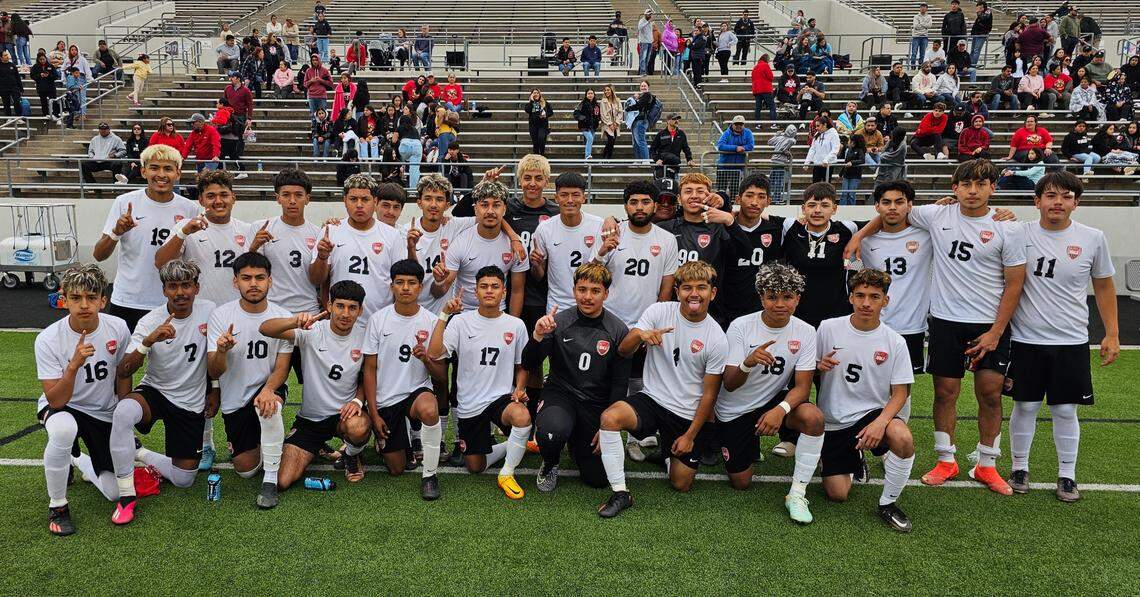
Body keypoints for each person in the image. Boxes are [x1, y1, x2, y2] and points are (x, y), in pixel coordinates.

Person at [847, 159, 1025, 496]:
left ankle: (987, 464)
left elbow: (1015, 284)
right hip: (945, 321)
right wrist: (860, 233)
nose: (973, 191)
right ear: (954, 189)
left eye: (981, 185)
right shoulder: (937, 215)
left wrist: (996, 332)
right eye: (966, 185)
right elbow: (890, 213)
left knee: (989, 393)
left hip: (989, 324)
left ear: (993, 188)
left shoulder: (1008, 227)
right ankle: (946, 460)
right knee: (945, 393)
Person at [1006, 172, 1118, 501]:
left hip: (1070, 340)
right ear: (1036, 200)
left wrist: (1112, 333)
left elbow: (1104, 286)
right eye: (1051, 195)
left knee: (1066, 410)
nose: (1058, 202)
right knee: (1025, 405)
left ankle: (1067, 475)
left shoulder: (1093, 237)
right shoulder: (1018, 234)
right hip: (1025, 339)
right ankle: (1019, 468)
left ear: (1076, 203)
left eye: (1066, 196)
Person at [597, 261, 728, 517]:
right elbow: (624, 350)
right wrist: (640, 336)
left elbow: (710, 394)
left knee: (681, 484)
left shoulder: (716, 338)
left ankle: (668, 453)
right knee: (610, 418)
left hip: (686, 412)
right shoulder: (658, 311)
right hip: (652, 399)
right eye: (687, 287)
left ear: (712, 293)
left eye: (701, 288)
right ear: (677, 291)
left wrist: (690, 435)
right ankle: (621, 492)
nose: (694, 294)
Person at [108, 260, 213, 524]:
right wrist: (147, 342)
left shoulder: (211, 312)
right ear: (164, 290)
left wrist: (216, 389)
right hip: (155, 391)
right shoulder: (150, 321)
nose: (180, 292)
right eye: (173, 286)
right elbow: (124, 370)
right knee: (123, 412)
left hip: (190, 401)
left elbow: (219, 357)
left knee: (184, 480)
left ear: (196, 288)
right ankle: (126, 495)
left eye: (186, 285)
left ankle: (138, 452)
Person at [716, 262, 823, 522]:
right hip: (735, 408)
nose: (779, 304)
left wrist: (780, 410)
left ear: (797, 299)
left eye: (787, 297)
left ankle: (797, 492)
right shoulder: (741, 326)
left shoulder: (807, 331)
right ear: (761, 297)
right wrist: (747, 362)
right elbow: (729, 383)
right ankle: (743, 442)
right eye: (772, 297)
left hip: (772, 401)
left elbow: (803, 387)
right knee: (741, 482)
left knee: (813, 417)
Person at [816, 268, 916, 532]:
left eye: (874, 297)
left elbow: (901, 392)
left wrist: (881, 422)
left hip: (872, 414)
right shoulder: (827, 328)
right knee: (837, 494)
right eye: (860, 296)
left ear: (886, 301)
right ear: (850, 298)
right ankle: (853, 458)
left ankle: (888, 503)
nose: (866, 303)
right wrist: (818, 364)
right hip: (834, 420)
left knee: (903, 438)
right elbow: (805, 368)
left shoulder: (894, 341)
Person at [36, 264, 132, 536]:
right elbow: (55, 400)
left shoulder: (118, 328)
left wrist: (122, 415)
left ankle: (77, 459)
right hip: (64, 406)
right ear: (64, 299)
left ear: (104, 300)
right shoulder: (48, 339)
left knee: (115, 493)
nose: (84, 305)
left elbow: (122, 373)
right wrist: (74, 365)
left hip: (101, 411)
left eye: (92, 297)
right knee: (64, 429)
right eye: (76, 298)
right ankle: (58, 506)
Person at [524, 262, 630, 491]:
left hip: (595, 403)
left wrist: (609, 427)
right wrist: (538, 335)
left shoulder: (618, 330)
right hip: (560, 395)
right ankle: (550, 462)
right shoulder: (558, 322)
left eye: (595, 291)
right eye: (582, 290)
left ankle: (575, 442)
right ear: (574, 291)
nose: (587, 297)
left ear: (606, 293)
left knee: (598, 480)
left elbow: (620, 383)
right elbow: (529, 363)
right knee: (552, 433)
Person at [427, 265, 531, 499]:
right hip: (469, 404)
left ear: (504, 291)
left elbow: (521, 365)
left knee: (522, 416)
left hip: (500, 400)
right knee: (475, 466)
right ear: (476, 291)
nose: (489, 291)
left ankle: (507, 472)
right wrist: (444, 314)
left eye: (495, 286)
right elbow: (434, 354)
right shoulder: (461, 322)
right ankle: (516, 444)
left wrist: (520, 388)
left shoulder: (516, 325)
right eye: (484, 286)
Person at [260, 280, 372, 487]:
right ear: (329, 305)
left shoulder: (365, 336)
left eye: (352, 308)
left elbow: (368, 376)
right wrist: (294, 321)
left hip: (344, 415)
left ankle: (351, 454)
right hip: (310, 420)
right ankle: (317, 445)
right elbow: (265, 329)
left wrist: (357, 400)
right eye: (340, 306)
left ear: (360, 310)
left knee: (358, 427)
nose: (345, 313)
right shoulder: (312, 330)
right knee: (282, 481)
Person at [206, 252, 292, 509]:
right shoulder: (221, 316)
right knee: (245, 469)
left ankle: (270, 481)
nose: (253, 284)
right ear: (236, 282)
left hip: (268, 388)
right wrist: (222, 351)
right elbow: (214, 371)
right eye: (246, 278)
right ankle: (273, 447)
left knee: (268, 406)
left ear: (270, 281)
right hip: (235, 401)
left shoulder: (282, 315)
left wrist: (268, 390)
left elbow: (282, 367)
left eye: (259, 278)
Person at [358, 259, 447, 497]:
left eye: (411, 283)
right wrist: (374, 414)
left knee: (430, 410)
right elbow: (369, 369)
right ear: (392, 287)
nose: (405, 288)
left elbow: (440, 377)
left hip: (416, 393)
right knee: (396, 468)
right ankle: (400, 441)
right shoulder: (378, 320)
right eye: (400, 283)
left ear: (420, 287)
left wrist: (426, 359)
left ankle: (430, 476)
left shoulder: (431, 321)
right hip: (387, 399)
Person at [92, 145, 198, 330]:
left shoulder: (189, 208)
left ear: (178, 173)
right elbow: (99, 255)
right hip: (128, 299)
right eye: (154, 167)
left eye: (168, 168)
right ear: (143, 171)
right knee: (126, 359)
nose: (161, 174)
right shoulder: (124, 202)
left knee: (169, 359)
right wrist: (116, 232)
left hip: (171, 300)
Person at [308, 174, 409, 327]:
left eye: (365, 199)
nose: (359, 205)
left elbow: (400, 282)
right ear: (344, 201)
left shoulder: (392, 235)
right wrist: (322, 257)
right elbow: (316, 280)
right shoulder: (331, 231)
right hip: (341, 323)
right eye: (353, 199)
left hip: (380, 323)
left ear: (375, 202)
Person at [861, 180, 932, 383]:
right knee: (871, 384)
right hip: (875, 325)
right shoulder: (865, 241)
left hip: (912, 327)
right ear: (877, 207)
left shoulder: (927, 235)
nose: (892, 207)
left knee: (903, 388)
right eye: (886, 202)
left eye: (899, 202)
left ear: (910, 205)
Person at [154, 169, 250, 306]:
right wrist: (183, 233)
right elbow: (160, 263)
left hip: (235, 312)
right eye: (211, 196)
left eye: (224, 195)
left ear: (233, 198)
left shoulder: (247, 229)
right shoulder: (185, 227)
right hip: (197, 313)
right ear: (201, 200)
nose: (218, 201)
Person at [530, 172, 605, 318]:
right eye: (564, 195)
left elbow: (602, 271)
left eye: (575, 195)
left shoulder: (598, 226)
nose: (570, 200)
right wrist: (536, 265)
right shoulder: (545, 228)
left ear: (584, 197)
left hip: (591, 307)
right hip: (558, 308)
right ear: (556, 197)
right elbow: (538, 276)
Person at [716, 115, 755, 193]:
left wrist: (743, 148)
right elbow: (720, 146)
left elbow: (750, 146)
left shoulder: (748, 133)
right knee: (721, 189)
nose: (738, 126)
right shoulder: (726, 133)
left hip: (738, 166)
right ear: (732, 124)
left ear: (744, 125)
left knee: (735, 188)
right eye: (736, 124)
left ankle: (733, 202)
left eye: (741, 124)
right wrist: (736, 148)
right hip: (724, 165)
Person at [651, 113, 694, 179]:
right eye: (674, 119)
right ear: (668, 121)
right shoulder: (661, 134)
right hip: (661, 166)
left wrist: (689, 159)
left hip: (674, 166)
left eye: (677, 119)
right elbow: (652, 149)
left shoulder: (681, 134)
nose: (676, 121)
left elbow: (686, 148)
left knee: (674, 187)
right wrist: (656, 159)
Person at [804, 118, 840, 182]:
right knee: (815, 184)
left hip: (828, 164)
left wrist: (826, 159)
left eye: (818, 126)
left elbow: (835, 149)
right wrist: (807, 162)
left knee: (826, 184)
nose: (816, 128)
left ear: (825, 125)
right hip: (817, 163)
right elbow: (813, 149)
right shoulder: (817, 134)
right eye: (816, 126)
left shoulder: (833, 134)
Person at [629, 80, 656, 161]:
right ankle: (638, 160)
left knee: (640, 141)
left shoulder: (647, 95)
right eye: (642, 86)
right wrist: (637, 98)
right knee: (636, 143)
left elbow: (638, 106)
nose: (643, 87)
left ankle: (646, 160)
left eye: (645, 86)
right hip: (636, 121)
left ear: (648, 87)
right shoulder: (643, 96)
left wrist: (628, 108)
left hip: (641, 121)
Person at [837, 135, 867, 205]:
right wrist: (840, 174)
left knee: (851, 194)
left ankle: (851, 209)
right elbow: (846, 162)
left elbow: (862, 160)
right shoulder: (849, 150)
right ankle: (842, 209)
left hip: (855, 176)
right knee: (844, 194)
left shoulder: (860, 150)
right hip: (846, 175)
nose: (849, 142)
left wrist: (852, 162)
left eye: (850, 141)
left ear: (854, 142)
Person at [523, 88, 552, 156]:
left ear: (540, 94)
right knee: (535, 143)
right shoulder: (529, 104)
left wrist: (545, 115)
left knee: (541, 139)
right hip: (533, 126)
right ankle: (536, 158)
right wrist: (532, 101)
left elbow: (551, 112)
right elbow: (527, 110)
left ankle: (542, 155)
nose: (536, 94)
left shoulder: (545, 103)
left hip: (543, 126)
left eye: (537, 93)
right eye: (534, 93)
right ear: (531, 95)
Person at [574, 89, 600, 159]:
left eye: (592, 93)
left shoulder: (596, 104)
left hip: (593, 126)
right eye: (588, 93)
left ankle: (588, 156)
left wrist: (597, 120)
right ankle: (587, 156)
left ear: (594, 95)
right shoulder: (582, 103)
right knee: (590, 139)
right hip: (584, 126)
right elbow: (576, 114)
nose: (590, 95)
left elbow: (598, 114)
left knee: (589, 140)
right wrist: (584, 119)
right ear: (586, 95)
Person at [751, 53, 775, 122]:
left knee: (758, 108)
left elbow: (752, 78)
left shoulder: (755, 67)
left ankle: (757, 124)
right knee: (772, 107)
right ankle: (774, 123)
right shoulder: (765, 65)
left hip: (757, 90)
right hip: (766, 89)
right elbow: (771, 77)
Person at [910, 3, 933, 69]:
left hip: (924, 37)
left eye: (924, 7)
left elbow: (929, 26)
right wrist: (925, 25)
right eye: (921, 7)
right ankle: (913, 66)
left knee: (922, 53)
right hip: (916, 36)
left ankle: (921, 66)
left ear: (926, 9)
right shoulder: (916, 16)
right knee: (914, 52)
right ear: (920, 8)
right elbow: (916, 26)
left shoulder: (929, 17)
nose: (923, 8)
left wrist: (921, 23)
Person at [970, 2, 993, 67]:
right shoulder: (981, 13)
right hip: (976, 33)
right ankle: (970, 63)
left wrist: (978, 12)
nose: (978, 9)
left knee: (976, 50)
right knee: (973, 50)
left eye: (980, 7)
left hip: (982, 34)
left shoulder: (988, 11)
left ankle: (973, 64)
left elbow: (983, 18)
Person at [637, 10, 653, 75]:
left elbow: (650, 32)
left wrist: (652, 39)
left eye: (650, 14)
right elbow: (639, 28)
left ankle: (645, 71)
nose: (650, 16)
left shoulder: (650, 22)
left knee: (647, 58)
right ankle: (642, 72)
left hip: (649, 42)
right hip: (644, 42)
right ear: (645, 14)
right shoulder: (642, 21)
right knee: (643, 57)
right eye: (649, 14)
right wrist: (647, 22)